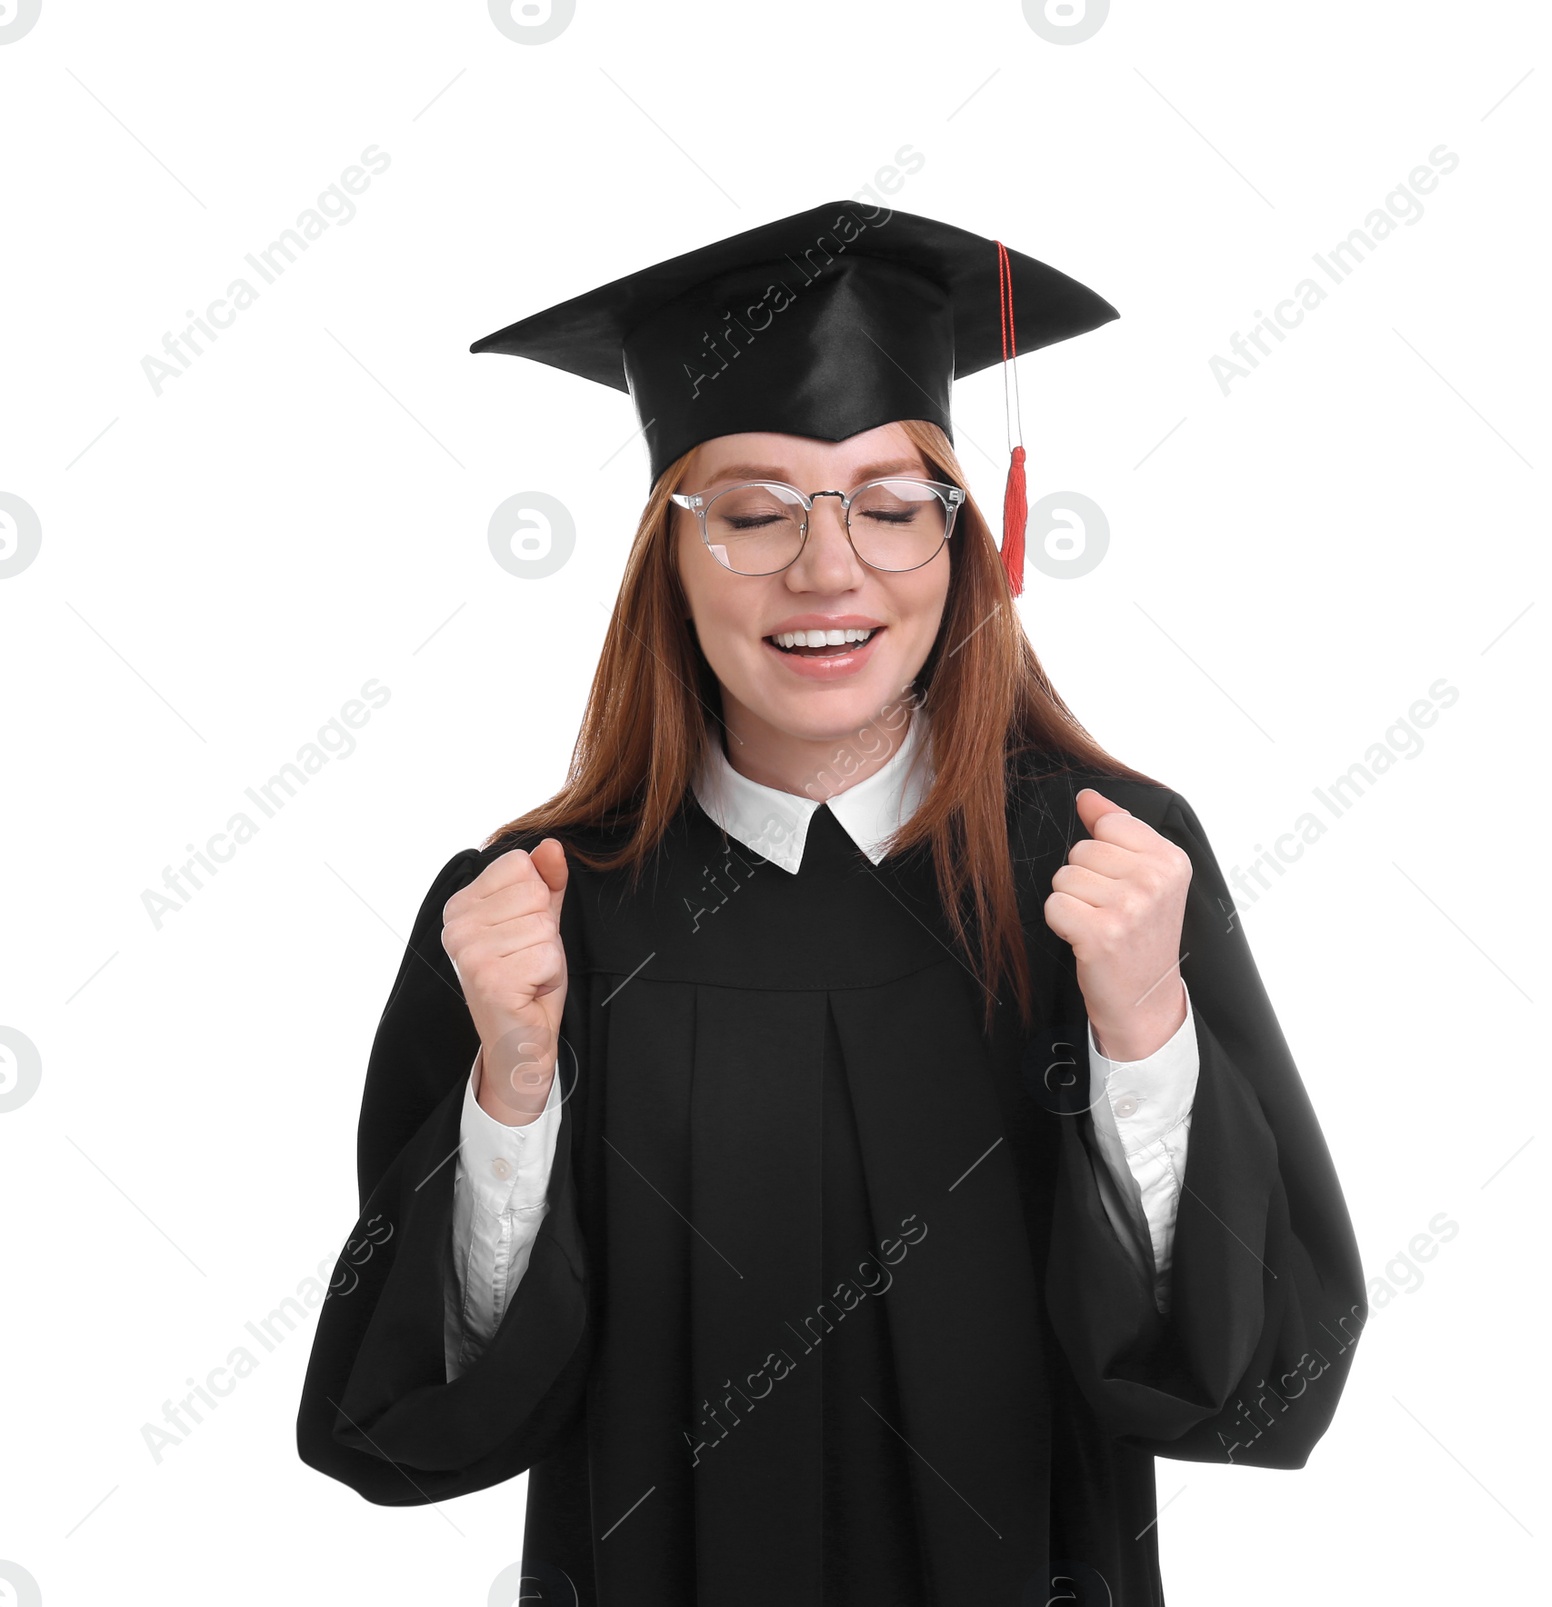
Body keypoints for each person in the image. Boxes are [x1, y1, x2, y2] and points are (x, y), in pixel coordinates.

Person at [297, 199, 1366, 1607]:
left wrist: (1146, 1030)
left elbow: (1257, 1384)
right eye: (751, 512)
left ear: (962, 540)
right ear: (665, 559)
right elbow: (416, 1426)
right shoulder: (544, 910)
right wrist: (511, 1090)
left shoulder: (1109, 863)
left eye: (889, 505)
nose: (828, 568)